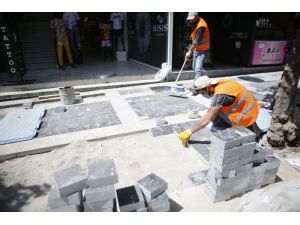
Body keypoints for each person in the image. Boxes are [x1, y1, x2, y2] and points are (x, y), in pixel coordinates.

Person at [178, 76, 261, 146]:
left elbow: (206, 119)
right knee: (215, 112)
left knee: (214, 123)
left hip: (246, 114)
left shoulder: (221, 95)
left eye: (202, 92)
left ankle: (253, 136)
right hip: (250, 106)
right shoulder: (221, 83)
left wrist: (189, 131)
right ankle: (256, 131)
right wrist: (212, 117)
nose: (202, 94)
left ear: (208, 87)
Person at [185, 12, 210, 82]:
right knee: (194, 68)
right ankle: (199, 83)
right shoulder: (194, 22)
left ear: (196, 17)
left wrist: (189, 51)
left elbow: (196, 42)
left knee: (198, 69)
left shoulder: (202, 26)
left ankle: (197, 87)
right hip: (197, 49)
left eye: (192, 19)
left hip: (203, 50)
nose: (190, 21)